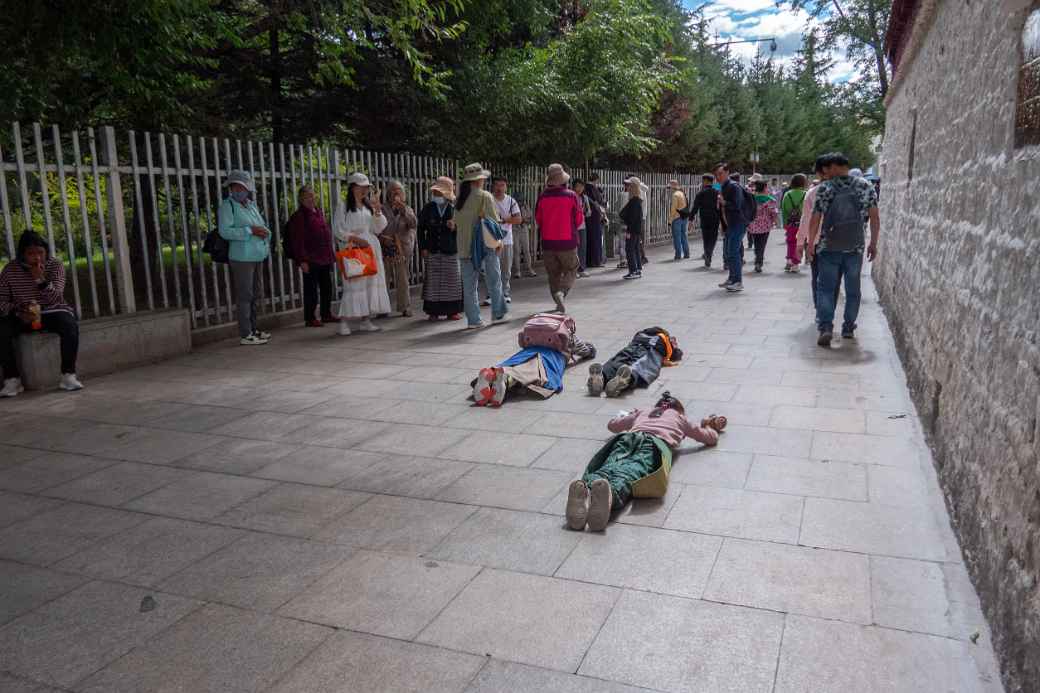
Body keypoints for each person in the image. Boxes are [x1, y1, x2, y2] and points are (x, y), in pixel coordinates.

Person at [565, 393, 725, 532]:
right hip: (653, 445)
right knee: (630, 471)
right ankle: (609, 495)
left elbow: (612, 425)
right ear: (679, 410)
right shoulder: (680, 418)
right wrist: (708, 425)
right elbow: (710, 438)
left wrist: (630, 414)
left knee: (609, 466)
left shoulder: (643, 411)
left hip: (627, 438)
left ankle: (586, 490)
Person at [807, 152, 880, 347]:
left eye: (826, 169)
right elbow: (874, 216)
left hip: (829, 246)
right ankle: (848, 327)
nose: (825, 172)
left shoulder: (826, 188)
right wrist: (873, 242)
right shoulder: (865, 186)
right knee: (853, 289)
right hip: (855, 246)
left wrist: (810, 243)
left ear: (834, 167)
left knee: (826, 289)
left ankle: (825, 327)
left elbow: (815, 217)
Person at [0, 231, 83, 396]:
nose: (37, 258)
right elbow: (1, 300)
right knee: (1, 329)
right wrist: (18, 311)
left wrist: (40, 279)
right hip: (22, 313)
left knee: (69, 324)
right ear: (22, 255)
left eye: (40, 253)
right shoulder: (10, 270)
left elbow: (56, 298)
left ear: (46, 252)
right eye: (31, 254)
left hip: (51, 310)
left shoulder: (55, 266)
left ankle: (68, 375)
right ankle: (12, 380)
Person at [333, 172, 391, 335]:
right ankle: (344, 321)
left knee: (369, 284)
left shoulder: (368, 206)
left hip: (370, 248)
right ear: (353, 187)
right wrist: (355, 239)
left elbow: (378, 228)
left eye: (366, 187)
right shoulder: (343, 206)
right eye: (361, 187)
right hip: (353, 248)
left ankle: (366, 320)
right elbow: (338, 229)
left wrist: (377, 210)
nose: (365, 190)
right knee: (353, 284)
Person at [219, 170, 272, 345]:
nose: (238, 190)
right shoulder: (227, 206)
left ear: (247, 189)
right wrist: (250, 231)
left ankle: (253, 329)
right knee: (245, 295)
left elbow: (261, 225)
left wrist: (265, 232)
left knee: (255, 294)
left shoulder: (251, 205)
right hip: (241, 257)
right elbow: (225, 232)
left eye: (241, 187)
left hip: (257, 255)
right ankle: (246, 333)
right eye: (235, 187)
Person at [455, 163, 505, 328]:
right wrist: (499, 242)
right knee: (494, 281)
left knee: (469, 287)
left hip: (464, 248)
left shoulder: (459, 200)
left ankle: (473, 320)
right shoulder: (485, 196)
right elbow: (493, 222)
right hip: (485, 247)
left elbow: (456, 223)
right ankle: (498, 314)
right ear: (478, 180)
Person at [534, 163, 583, 314]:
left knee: (553, 274)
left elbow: (538, 219)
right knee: (572, 268)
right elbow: (579, 219)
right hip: (567, 241)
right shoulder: (571, 196)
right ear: (563, 180)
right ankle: (562, 292)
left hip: (548, 242)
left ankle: (557, 302)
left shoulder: (542, 197)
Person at [287, 184, 335, 327]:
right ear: (301, 199)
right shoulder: (299, 216)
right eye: (307, 197)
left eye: (312, 196)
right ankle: (310, 318)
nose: (311, 199)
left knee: (327, 287)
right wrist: (302, 260)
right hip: (311, 259)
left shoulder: (318, 212)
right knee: (311, 290)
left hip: (324, 257)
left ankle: (326, 314)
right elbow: (298, 240)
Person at [799, 157, 842, 316]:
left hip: (817, 242)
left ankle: (820, 311)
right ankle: (829, 311)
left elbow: (805, 220)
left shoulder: (812, 193)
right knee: (835, 279)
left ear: (819, 173)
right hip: (840, 243)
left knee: (817, 276)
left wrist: (800, 242)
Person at [587, 326, 682, 398]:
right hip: (650, 350)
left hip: (632, 346)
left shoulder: (643, 333)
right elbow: (677, 355)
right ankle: (626, 379)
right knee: (641, 366)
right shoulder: (665, 338)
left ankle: (602, 375)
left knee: (618, 360)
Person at [418, 177, 463, 321]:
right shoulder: (428, 208)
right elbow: (420, 229)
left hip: (450, 250)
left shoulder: (455, 209)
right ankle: (433, 311)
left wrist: (455, 227)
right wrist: (423, 247)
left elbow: (464, 228)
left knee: (452, 282)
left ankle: (452, 311)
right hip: (433, 248)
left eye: (439, 192)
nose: (436, 194)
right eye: (435, 191)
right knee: (433, 282)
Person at [380, 180, 418, 318]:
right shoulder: (382, 209)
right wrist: (383, 238)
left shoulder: (407, 209)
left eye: (399, 191)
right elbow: (377, 226)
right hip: (386, 247)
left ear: (403, 194)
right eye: (393, 191)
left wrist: (403, 211)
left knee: (403, 278)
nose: (396, 193)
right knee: (384, 278)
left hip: (402, 249)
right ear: (388, 194)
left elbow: (413, 224)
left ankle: (405, 307)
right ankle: (382, 309)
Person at [487, 177, 522, 304]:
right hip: (490, 239)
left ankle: (505, 293)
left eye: (502, 185)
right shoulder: (488, 200)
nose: (499, 188)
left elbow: (518, 219)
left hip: (506, 240)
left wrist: (504, 220)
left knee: (506, 268)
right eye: (497, 185)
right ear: (493, 186)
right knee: (491, 268)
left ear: (506, 187)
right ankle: (491, 294)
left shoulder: (511, 201)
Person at [716, 162, 749, 292]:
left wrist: (724, 202)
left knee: (733, 252)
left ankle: (737, 281)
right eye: (717, 174)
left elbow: (737, 205)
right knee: (730, 252)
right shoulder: (724, 186)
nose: (718, 176)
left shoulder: (733, 186)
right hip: (731, 224)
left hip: (738, 223)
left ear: (727, 173)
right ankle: (732, 279)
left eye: (720, 173)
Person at [747, 180, 779, 273]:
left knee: (756, 243)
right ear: (765, 188)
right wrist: (775, 221)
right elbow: (774, 213)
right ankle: (759, 261)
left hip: (753, 225)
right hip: (766, 226)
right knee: (762, 244)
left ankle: (757, 257)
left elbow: (747, 211)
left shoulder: (752, 199)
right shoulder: (771, 200)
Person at [691, 174, 721, 268]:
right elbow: (720, 207)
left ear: (705, 181)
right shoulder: (717, 193)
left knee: (706, 237)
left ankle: (707, 253)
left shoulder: (701, 193)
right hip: (715, 218)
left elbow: (695, 207)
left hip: (704, 218)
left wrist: (691, 218)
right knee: (713, 237)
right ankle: (709, 253)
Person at [780, 174, 808, 273]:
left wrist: (784, 223)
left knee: (790, 242)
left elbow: (783, 210)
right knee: (800, 243)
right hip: (803, 223)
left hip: (790, 223)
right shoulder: (806, 194)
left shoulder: (787, 194)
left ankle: (789, 260)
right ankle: (795, 264)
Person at [618, 178, 644, 280]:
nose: (627, 187)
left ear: (633, 187)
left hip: (632, 230)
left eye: (629, 185)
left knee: (629, 249)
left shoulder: (634, 201)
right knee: (635, 249)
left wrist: (629, 230)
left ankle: (633, 270)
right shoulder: (636, 200)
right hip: (636, 230)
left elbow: (632, 218)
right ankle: (637, 269)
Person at [510, 198, 538, 280]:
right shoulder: (511, 207)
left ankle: (529, 269)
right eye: (518, 201)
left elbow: (530, 219)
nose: (520, 202)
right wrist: (517, 220)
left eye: (521, 200)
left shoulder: (525, 207)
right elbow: (509, 219)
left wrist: (524, 220)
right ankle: (517, 271)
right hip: (514, 230)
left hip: (524, 229)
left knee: (526, 250)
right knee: (516, 251)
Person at [585, 173, 606, 267]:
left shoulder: (585, 188)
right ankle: (596, 260)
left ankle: (589, 261)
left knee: (589, 239)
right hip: (595, 216)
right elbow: (599, 202)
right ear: (596, 180)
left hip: (588, 217)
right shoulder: (593, 188)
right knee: (596, 239)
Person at [572, 179, 591, 278]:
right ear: (574, 187)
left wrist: (584, 211)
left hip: (582, 225)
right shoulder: (570, 196)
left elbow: (589, 212)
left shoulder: (585, 198)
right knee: (573, 249)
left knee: (582, 248)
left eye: (581, 186)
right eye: (577, 186)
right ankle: (573, 270)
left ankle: (582, 268)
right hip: (573, 226)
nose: (579, 189)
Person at [667, 179, 690, 261]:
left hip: (676, 218)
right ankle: (686, 253)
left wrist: (670, 221)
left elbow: (673, 209)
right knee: (684, 235)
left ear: (672, 187)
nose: (669, 189)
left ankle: (678, 254)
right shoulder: (682, 193)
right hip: (684, 217)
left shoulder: (675, 195)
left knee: (677, 237)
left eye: (669, 188)